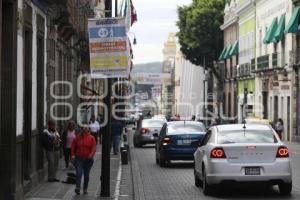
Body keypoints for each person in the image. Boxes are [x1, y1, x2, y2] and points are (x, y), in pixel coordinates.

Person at [71, 126, 96, 195]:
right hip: (79, 158)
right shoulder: (78, 137)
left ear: (88, 129)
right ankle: (78, 188)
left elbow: (94, 147)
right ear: (82, 129)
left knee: (86, 175)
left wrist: (91, 154)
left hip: (88, 160)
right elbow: (73, 146)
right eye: (84, 128)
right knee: (79, 173)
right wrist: (72, 155)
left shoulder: (91, 138)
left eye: (86, 127)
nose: (85, 129)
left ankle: (85, 188)